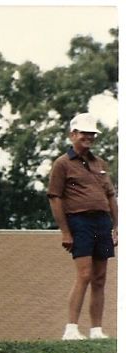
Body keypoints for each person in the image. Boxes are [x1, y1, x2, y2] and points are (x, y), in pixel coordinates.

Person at [47, 112, 118, 340]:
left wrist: (117, 226)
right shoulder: (62, 164)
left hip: (102, 221)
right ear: (73, 134)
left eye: (92, 134)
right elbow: (55, 197)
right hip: (80, 221)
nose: (89, 137)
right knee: (84, 274)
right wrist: (65, 231)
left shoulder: (100, 164)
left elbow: (110, 197)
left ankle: (96, 329)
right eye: (84, 133)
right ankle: (71, 328)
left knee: (100, 277)